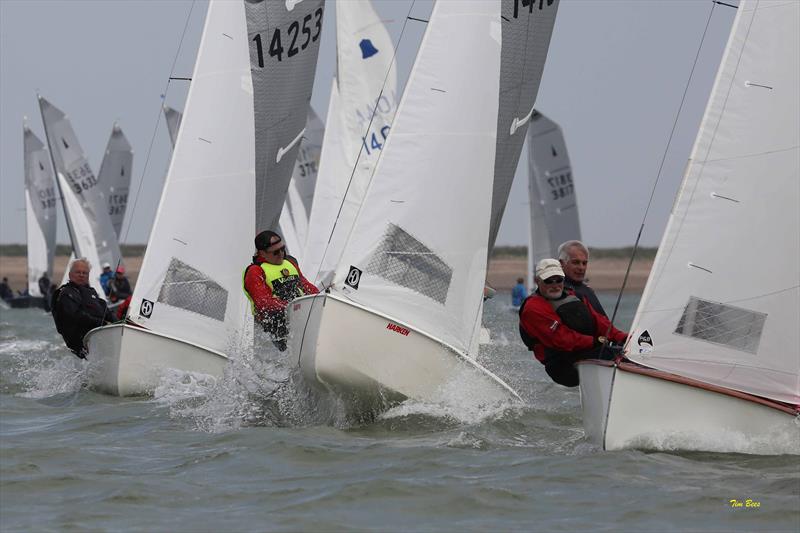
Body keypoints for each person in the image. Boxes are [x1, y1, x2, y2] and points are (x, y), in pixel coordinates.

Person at [518, 258, 628, 387]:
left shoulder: (572, 295)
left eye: (559, 280)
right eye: (548, 281)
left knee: (626, 352)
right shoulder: (533, 308)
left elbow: (599, 321)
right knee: (615, 356)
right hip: (562, 365)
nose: (555, 285)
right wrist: (595, 341)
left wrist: (624, 337)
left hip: (584, 352)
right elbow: (561, 339)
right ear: (537, 281)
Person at [243, 230, 319, 351]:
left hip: (300, 315)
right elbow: (264, 304)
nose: (281, 254)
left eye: (282, 249)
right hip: (278, 326)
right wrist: (293, 307)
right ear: (262, 253)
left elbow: (305, 285)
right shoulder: (255, 272)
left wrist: (321, 298)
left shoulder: (290, 262)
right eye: (275, 252)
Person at [51, 258, 114, 358]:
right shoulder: (66, 293)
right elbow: (75, 315)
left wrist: (120, 322)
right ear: (70, 275)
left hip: (99, 338)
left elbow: (106, 311)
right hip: (81, 343)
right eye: (78, 272)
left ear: (88, 276)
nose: (81, 275)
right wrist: (102, 323)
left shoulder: (91, 293)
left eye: (85, 273)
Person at [558, 240, 607, 317]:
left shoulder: (587, 290)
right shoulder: (557, 291)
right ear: (562, 263)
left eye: (584, 263)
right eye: (575, 262)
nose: (581, 268)